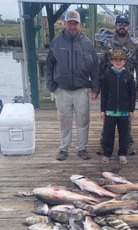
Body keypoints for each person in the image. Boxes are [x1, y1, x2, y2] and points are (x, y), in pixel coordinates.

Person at [45, 9, 99, 161]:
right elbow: (49, 65)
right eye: (70, 23)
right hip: (61, 90)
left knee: (83, 120)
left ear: (80, 25)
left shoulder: (87, 43)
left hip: (81, 90)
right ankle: (64, 148)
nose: (72, 26)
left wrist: (95, 87)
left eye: (75, 24)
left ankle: (82, 148)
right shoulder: (56, 41)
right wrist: (51, 85)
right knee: (64, 120)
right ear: (64, 23)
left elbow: (95, 67)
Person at [98, 14, 138, 155]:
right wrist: (101, 85)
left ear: (128, 26)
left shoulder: (135, 45)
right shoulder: (107, 44)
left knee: (127, 116)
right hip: (111, 85)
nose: (122, 26)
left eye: (125, 24)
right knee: (108, 115)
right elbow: (101, 65)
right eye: (119, 23)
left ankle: (126, 144)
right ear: (115, 25)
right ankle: (105, 143)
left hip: (128, 86)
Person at [100, 50, 136, 164]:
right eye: (115, 60)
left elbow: (132, 95)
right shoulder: (107, 75)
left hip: (124, 112)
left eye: (120, 60)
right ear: (111, 61)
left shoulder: (129, 77)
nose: (118, 62)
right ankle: (107, 153)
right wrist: (102, 110)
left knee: (124, 134)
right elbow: (104, 95)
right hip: (110, 111)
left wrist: (131, 110)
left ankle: (122, 153)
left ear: (124, 62)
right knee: (108, 134)